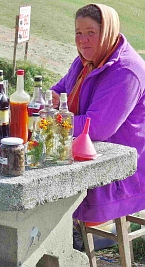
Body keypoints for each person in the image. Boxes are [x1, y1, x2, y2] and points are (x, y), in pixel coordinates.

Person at [51, 4, 145, 224]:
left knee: (47, 185)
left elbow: (96, 128)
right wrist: (50, 100)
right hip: (87, 153)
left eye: (91, 32)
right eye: (78, 33)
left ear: (108, 33)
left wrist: (48, 122)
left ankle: (69, 234)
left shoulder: (126, 72)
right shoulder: (85, 62)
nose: (83, 40)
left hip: (123, 169)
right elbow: (58, 91)